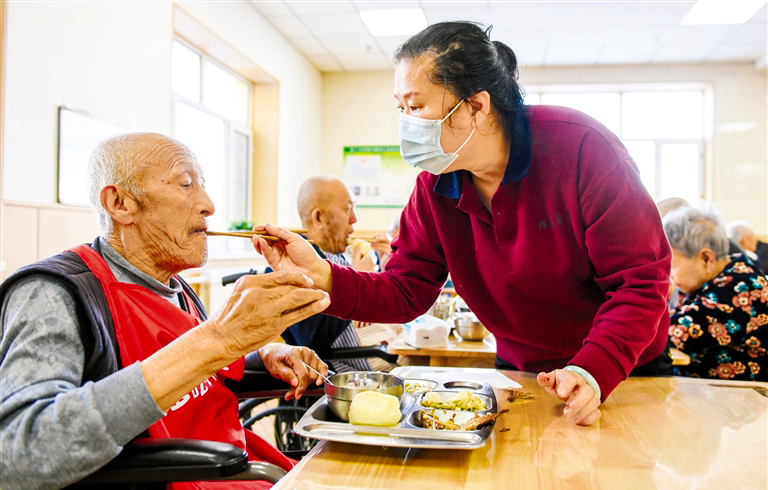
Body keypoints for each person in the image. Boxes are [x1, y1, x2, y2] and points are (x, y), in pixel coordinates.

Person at [253, 21, 673, 426]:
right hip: (523, 369)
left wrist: (593, 371)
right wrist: (322, 275)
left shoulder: (582, 148)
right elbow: (406, 289)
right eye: (401, 108)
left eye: (416, 106)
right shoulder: (434, 187)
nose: (405, 123)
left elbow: (639, 282)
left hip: (620, 368)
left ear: (476, 106)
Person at [0, 133, 331, 490]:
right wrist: (216, 338)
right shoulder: (51, 293)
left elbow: (199, 377)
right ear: (120, 203)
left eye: (202, 185)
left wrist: (263, 352)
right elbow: (21, 452)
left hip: (237, 467)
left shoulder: (175, 286)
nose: (208, 205)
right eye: (185, 184)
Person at [288, 176, 390, 372]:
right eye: (347, 208)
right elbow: (313, 340)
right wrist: (355, 281)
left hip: (375, 353)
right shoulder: (293, 265)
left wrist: (389, 268)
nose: (354, 219)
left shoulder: (338, 257)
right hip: (346, 377)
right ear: (318, 218)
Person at [664, 206, 767, 380]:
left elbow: (677, 333)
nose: (668, 274)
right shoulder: (719, 277)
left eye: (672, 265)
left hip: (743, 397)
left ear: (706, 259)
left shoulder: (738, 288)